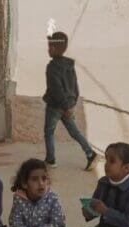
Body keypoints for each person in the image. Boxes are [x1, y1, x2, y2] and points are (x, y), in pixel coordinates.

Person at [42, 31, 97, 170]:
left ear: (54, 49)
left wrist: (65, 107)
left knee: (49, 131)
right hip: (67, 104)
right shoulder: (69, 65)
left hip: (56, 106)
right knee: (74, 132)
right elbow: (75, 87)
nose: (48, 50)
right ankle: (90, 154)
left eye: (50, 47)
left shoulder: (52, 67)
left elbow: (56, 89)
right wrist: (71, 104)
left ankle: (50, 160)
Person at [0, 158, 67, 227]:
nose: (41, 183)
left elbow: (59, 224)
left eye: (44, 179)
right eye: (35, 179)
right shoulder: (19, 198)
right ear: (25, 184)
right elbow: (15, 220)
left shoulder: (52, 198)